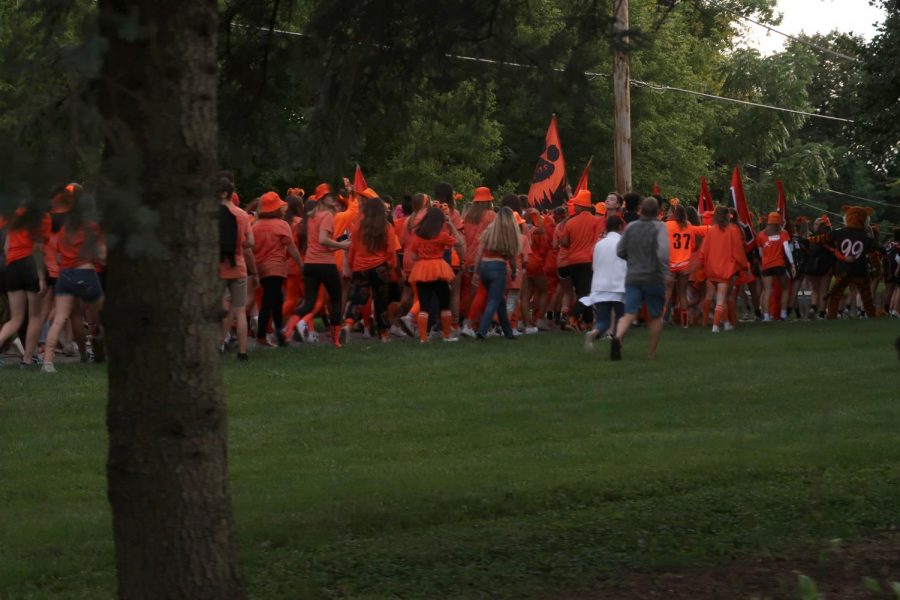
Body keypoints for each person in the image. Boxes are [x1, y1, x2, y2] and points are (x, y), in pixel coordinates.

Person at [41, 189, 107, 373]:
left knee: (60, 318)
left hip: (65, 276)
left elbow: (58, 255)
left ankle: (47, 362)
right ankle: (100, 348)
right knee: (105, 312)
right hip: (86, 274)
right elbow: (101, 255)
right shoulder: (93, 227)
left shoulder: (65, 229)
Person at [611, 197, 669, 360]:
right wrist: (665, 270)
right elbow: (663, 252)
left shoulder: (631, 227)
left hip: (633, 277)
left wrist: (632, 259)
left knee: (629, 313)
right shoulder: (660, 227)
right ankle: (651, 353)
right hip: (654, 277)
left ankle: (618, 336)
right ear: (657, 211)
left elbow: (620, 250)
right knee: (656, 316)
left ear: (641, 209)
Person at [291, 188, 351, 346]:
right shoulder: (326, 215)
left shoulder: (311, 217)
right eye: (333, 198)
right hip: (325, 263)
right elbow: (323, 240)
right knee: (336, 299)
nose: (336, 201)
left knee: (309, 302)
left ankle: (287, 330)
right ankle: (335, 339)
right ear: (324, 199)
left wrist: (339, 246)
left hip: (309, 263)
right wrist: (342, 245)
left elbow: (317, 244)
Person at [341, 196, 400, 343]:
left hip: (360, 267)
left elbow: (352, 248)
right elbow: (391, 250)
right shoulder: (386, 226)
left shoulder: (358, 226)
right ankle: (384, 334)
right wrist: (391, 265)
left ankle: (348, 325)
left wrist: (351, 264)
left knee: (356, 299)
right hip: (380, 267)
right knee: (381, 301)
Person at [0, 203, 50, 368]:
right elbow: (38, 248)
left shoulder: (14, 215)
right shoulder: (42, 217)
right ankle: (27, 359)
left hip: (13, 267)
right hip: (31, 265)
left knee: (15, 318)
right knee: (35, 316)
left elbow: (6, 247)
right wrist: (41, 277)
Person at [252, 191, 303, 347]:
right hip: (276, 268)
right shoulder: (282, 225)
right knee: (270, 301)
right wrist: (301, 264)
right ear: (275, 209)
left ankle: (280, 335)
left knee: (277, 300)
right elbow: (292, 247)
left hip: (260, 267)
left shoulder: (255, 225)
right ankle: (262, 335)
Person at [407, 206, 465, 342]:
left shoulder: (417, 236)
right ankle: (446, 335)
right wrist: (451, 224)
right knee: (444, 303)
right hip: (439, 268)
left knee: (424, 304)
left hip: (421, 270)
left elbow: (414, 256)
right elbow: (459, 242)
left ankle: (423, 337)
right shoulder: (442, 236)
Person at [698, 205, 749, 333]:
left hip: (711, 270)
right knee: (722, 299)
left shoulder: (711, 231)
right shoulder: (732, 231)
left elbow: (703, 251)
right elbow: (738, 251)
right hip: (725, 271)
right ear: (728, 216)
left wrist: (701, 264)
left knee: (719, 297)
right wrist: (744, 265)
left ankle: (725, 323)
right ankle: (715, 327)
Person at [473, 207, 521, 340]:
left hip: (484, 266)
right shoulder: (510, 233)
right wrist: (513, 271)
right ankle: (482, 331)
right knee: (494, 301)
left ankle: (508, 333)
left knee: (500, 301)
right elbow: (512, 256)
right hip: (498, 268)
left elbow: (480, 251)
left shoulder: (490, 230)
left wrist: (476, 272)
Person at [559, 189, 603, 328]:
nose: (574, 207)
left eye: (576, 205)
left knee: (581, 292)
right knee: (586, 292)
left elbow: (564, 243)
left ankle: (588, 321)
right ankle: (573, 317)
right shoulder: (596, 221)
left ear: (581, 206)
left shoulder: (570, 223)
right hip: (590, 261)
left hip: (573, 261)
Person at [581, 215, 626, 351]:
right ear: (620, 227)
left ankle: (594, 333)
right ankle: (617, 342)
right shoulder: (623, 243)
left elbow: (594, 266)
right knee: (621, 317)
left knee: (603, 321)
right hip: (619, 285)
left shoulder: (599, 244)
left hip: (600, 286)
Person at [664, 201, 709, 328]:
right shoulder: (688, 226)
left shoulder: (666, 225)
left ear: (673, 213)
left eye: (669, 211)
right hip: (684, 265)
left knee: (666, 293)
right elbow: (705, 231)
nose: (667, 214)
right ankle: (685, 324)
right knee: (682, 294)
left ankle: (662, 319)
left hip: (671, 264)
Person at [756, 212, 795, 321]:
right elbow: (787, 250)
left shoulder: (761, 235)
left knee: (767, 290)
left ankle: (766, 316)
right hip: (780, 265)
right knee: (785, 289)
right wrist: (792, 264)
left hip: (766, 265)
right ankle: (783, 314)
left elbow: (760, 253)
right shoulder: (784, 233)